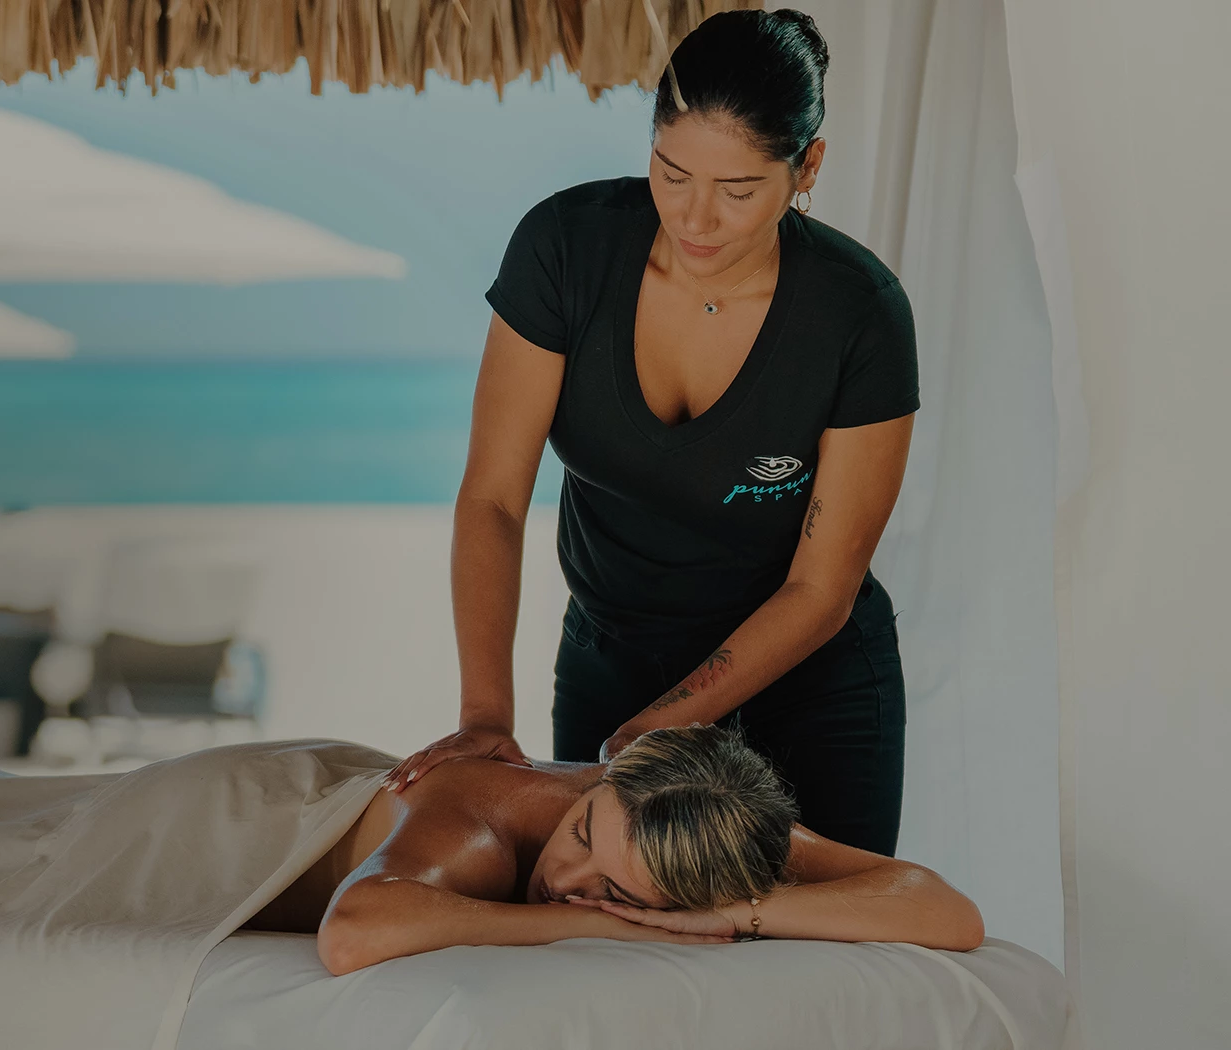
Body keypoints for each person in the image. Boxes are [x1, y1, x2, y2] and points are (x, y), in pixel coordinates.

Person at [392, 8, 922, 855]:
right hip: (611, 660)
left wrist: (652, 731)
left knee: (810, 962)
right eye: (671, 173)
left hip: (807, 686)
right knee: (598, 954)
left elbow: (820, 590)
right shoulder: (565, 251)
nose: (695, 218)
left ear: (807, 165)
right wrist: (486, 715)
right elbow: (493, 496)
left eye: (738, 190)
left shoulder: (859, 317)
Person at [245, 725, 982, 974]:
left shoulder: (710, 823)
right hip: (232, 815)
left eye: (619, 892)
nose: (565, 877)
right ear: (605, 778)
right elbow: (353, 933)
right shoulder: (481, 822)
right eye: (582, 833)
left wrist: (739, 913)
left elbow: (947, 911)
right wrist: (601, 920)